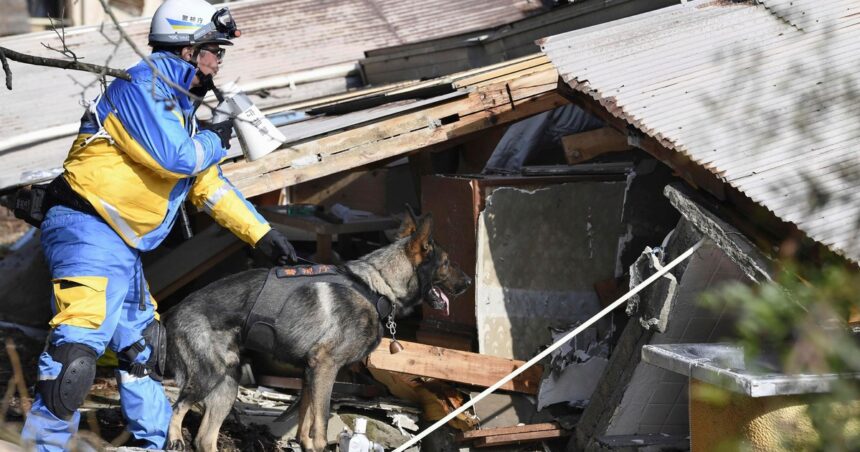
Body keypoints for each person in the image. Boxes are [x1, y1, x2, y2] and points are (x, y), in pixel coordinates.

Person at [20, 0, 296, 449]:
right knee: (75, 354)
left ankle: (157, 443)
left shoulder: (178, 108)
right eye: (215, 51)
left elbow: (208, 186)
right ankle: (43, 445)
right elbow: (177, 159)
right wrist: (216, 135)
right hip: (87, 228)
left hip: (122, 244)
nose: (220, 62)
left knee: (142, 349)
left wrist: (263, 234)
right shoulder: (143, 85)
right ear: (189, 50)